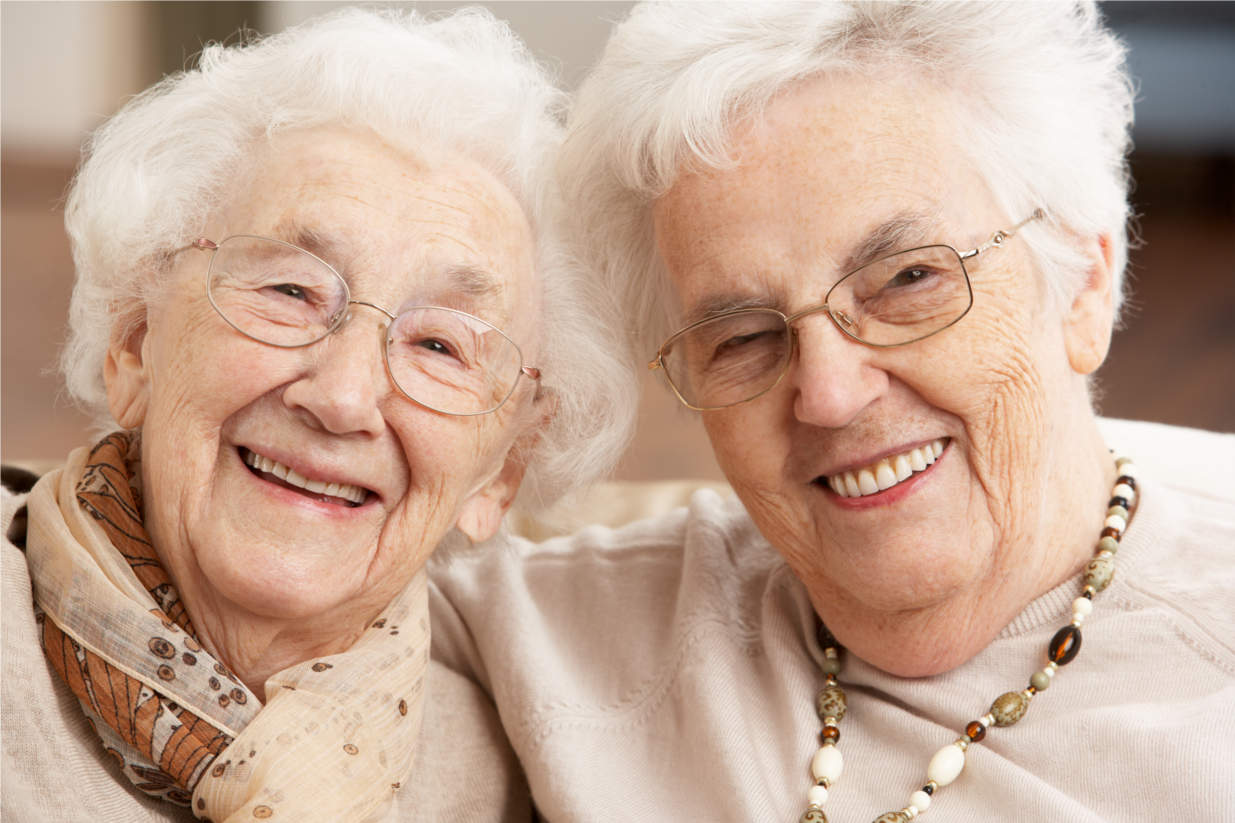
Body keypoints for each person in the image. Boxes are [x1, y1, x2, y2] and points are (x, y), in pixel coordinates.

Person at [424, 2, 1235, 820]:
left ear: (1083, 282)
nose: (830, 393)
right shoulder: (571, 639)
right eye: (740, 336)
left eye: (908, 279)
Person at [0, 7, 633, 822]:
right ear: (134, 341)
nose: (341, 397)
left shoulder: (528, 774)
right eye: (289, 291)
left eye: (440, 346)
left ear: (502, 471)